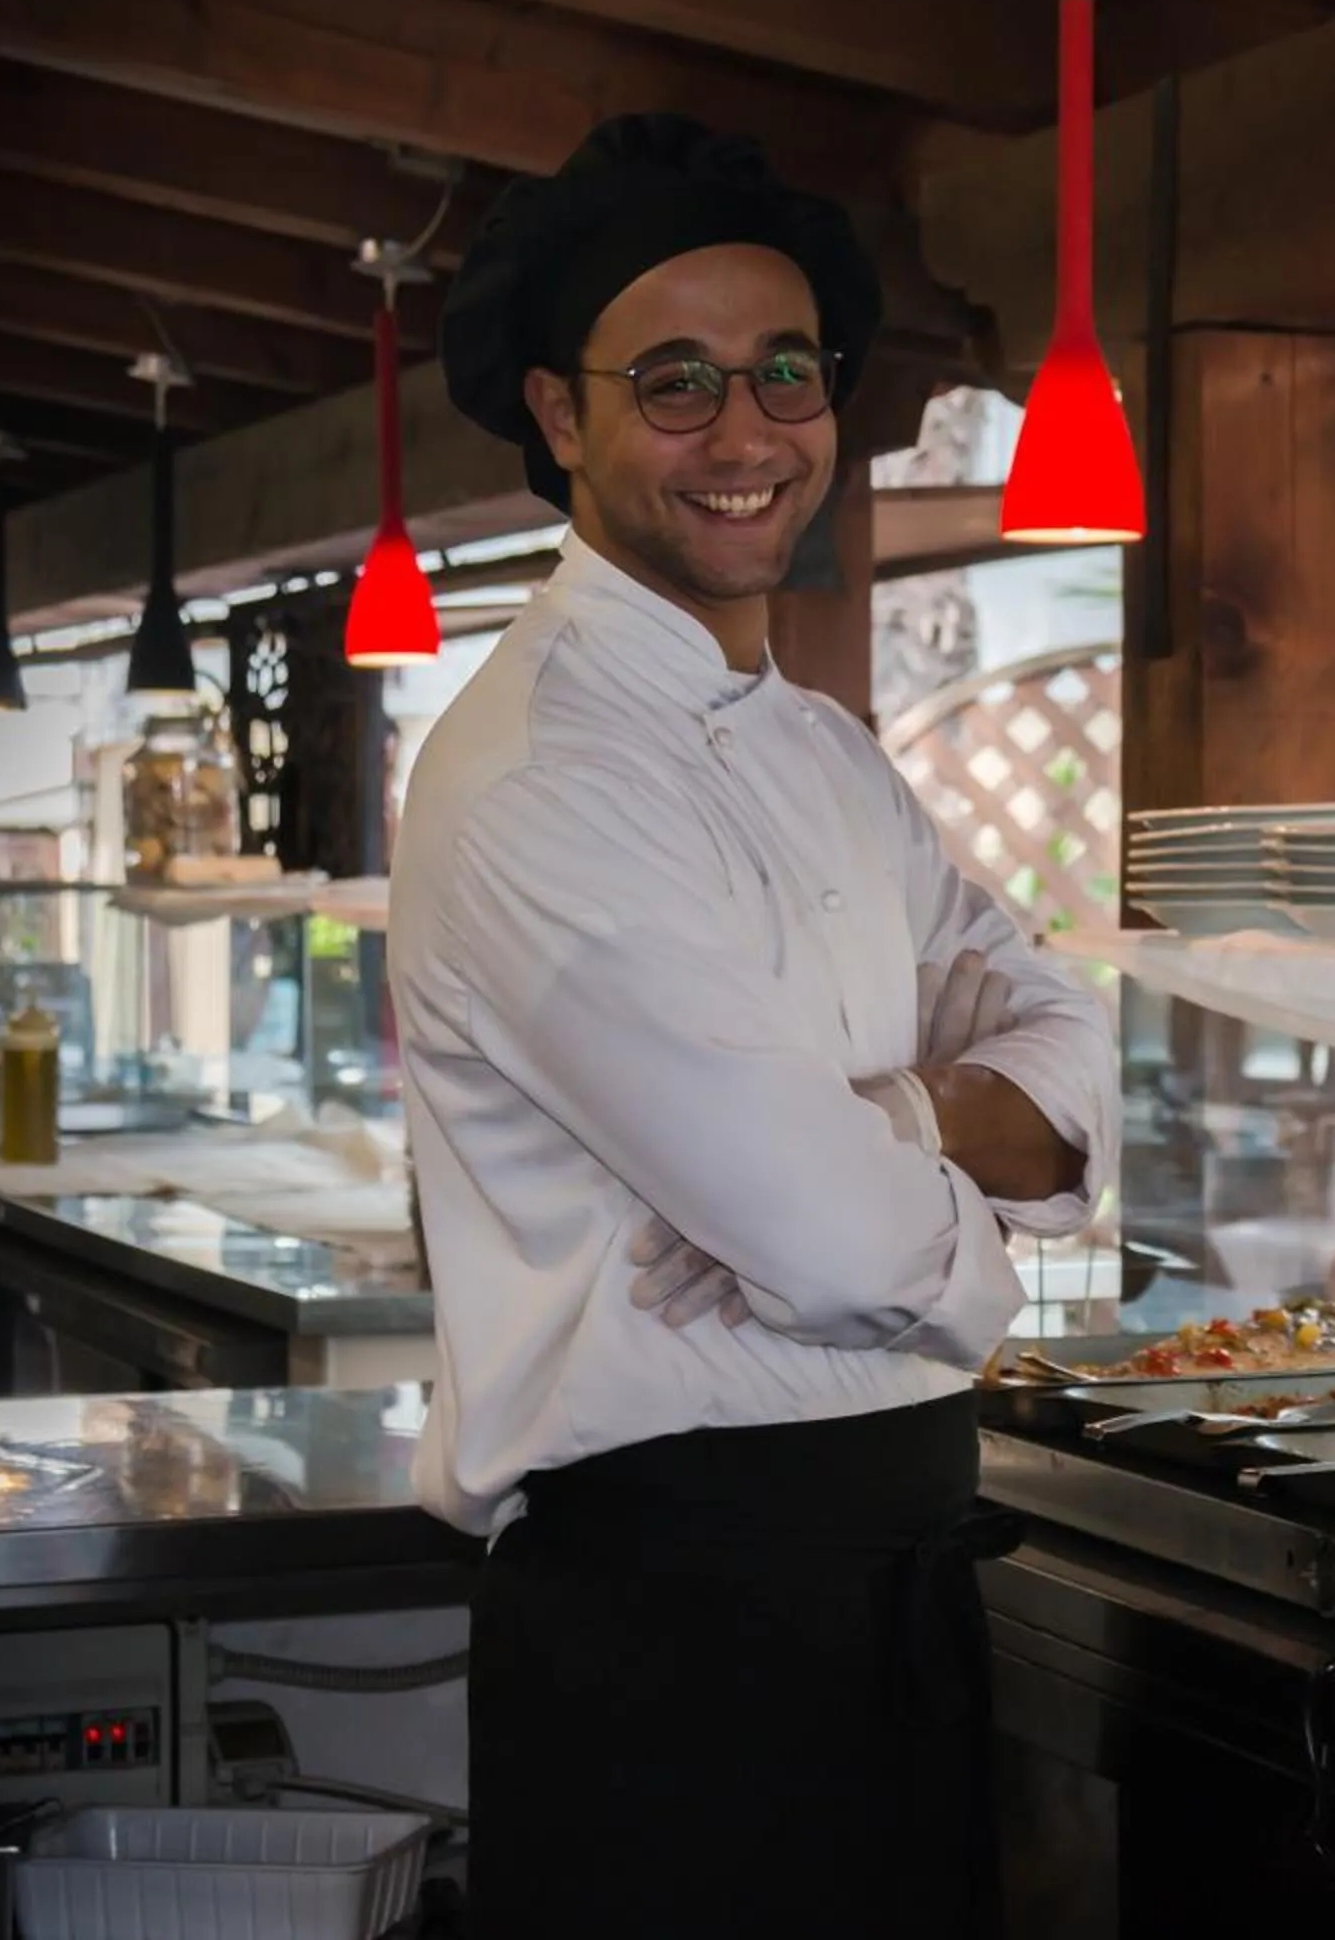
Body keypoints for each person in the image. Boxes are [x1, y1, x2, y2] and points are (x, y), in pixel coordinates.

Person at [396, 113, 1116, 1936]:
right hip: (676, 1629)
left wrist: (886, 1116)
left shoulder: (824, 750)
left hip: (885, 1591)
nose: (748, 435)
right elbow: (823, 1232)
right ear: (561, 416)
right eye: (679, 382)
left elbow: (1064, 1037)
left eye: (786, 375)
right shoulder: (542, 779)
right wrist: (952, 1193)